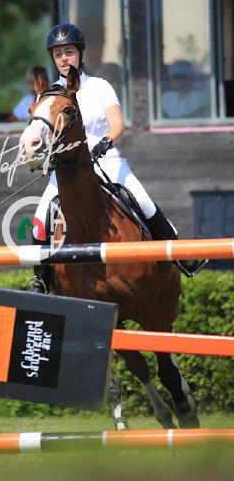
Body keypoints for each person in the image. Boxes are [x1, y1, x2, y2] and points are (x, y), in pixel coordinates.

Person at [29, 23, 207, 292]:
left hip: (106, 160)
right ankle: (41, 279)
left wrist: (105, 142)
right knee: (40, 221)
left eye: (69, 52)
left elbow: (118, 124)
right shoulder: (50, 94)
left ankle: (182, 256)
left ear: (80, 53)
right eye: (58, 54)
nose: (64, 59)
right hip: (68, 170)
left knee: (144, 202)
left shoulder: (100, 87)